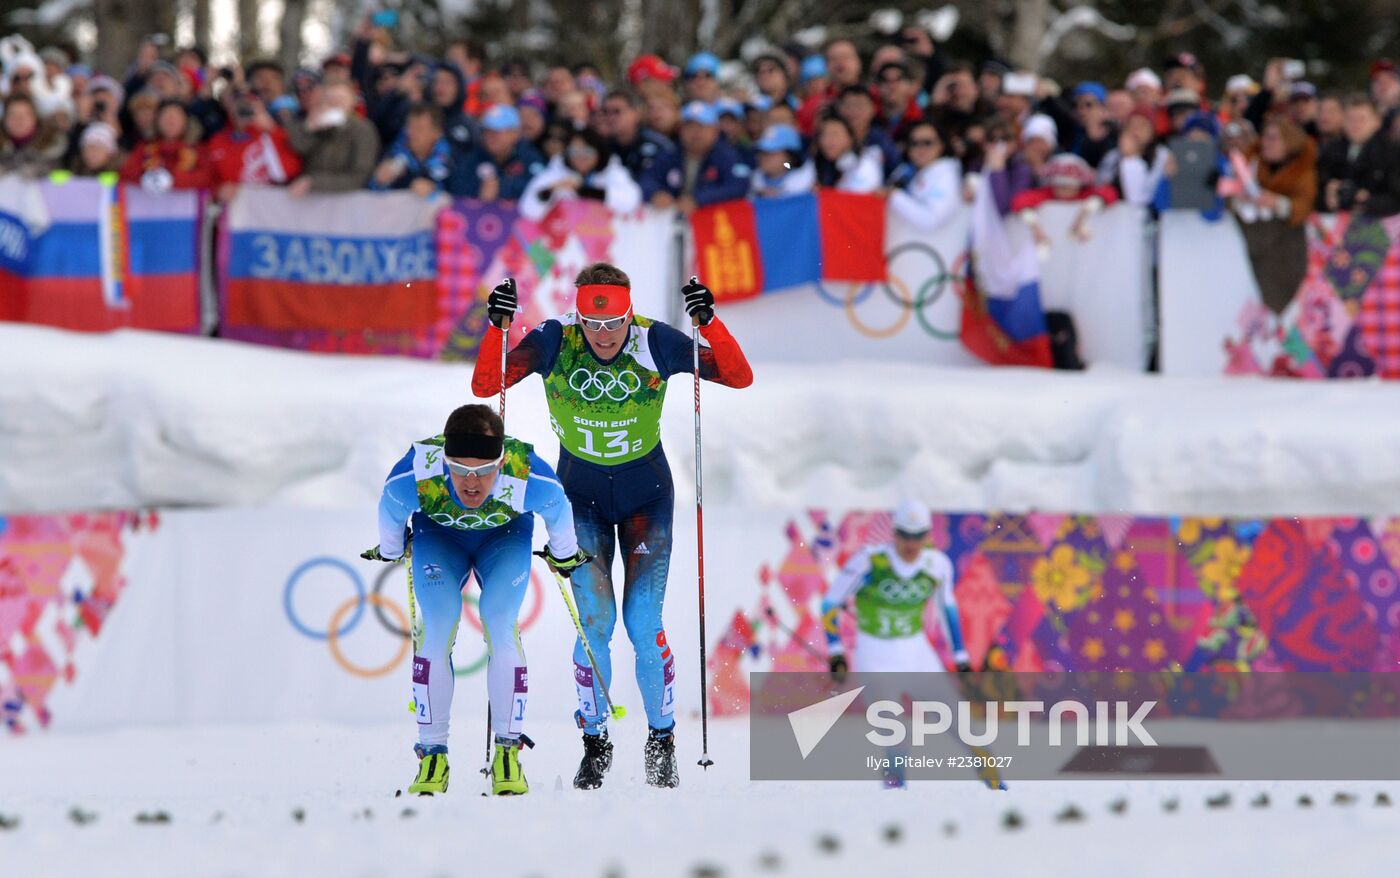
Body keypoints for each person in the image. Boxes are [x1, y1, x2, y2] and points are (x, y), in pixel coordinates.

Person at [470, 264, 753, 790]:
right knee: (594, 626)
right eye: (592, 325)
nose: (602, 336)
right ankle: (595, 744)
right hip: (581, 501)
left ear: (628, 313)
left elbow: (738, 376)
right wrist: (497, 326)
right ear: (579, 316)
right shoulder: (557, 340)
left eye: (614, 324)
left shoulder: (655, 340)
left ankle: (662, 741)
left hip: (648, 497)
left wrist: (709, 322)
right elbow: (487, 384)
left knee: (643, 624)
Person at [362, 404, 588, 796]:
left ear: (500, 463)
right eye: (460, 469)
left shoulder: (527, 474)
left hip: (504, 539)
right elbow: (390, 509)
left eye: (484, 471)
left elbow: (559, 509)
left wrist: (565, 553)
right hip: (439, 539)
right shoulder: (417, 473)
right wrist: (392, 548)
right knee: (436, 629)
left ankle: (507, 753)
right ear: (443, 459)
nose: (471, 483)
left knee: (500, 622)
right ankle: (433, 756)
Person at [820, 499, 973, 788]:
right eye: (904, 534)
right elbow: (830, 602)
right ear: (894, 533)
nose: (911, 543)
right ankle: (894, 797)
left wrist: (961, 656)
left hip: (917, 654)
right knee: (894, 732)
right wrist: (836, 652)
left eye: (918, 536)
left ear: (928, 535)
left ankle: (996, 788)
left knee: (960, 723)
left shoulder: (937, 564)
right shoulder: (870, 560)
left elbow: (947, 609)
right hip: (875, 655)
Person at [517, 127, 642, 221]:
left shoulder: (612, 172)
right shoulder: (556, 172)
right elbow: (529, 211)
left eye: (587, 151)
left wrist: (585, 191)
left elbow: (630, 201)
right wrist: (550, 191)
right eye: (574, 151)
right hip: (565, 245)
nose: (580, 156)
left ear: (598, 152)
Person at [650, 101, 752, 215]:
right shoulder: (670, 153)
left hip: (711, 222)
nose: (695, 132)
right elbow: (648, 179)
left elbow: (738, 185)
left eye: (701, 126)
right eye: (689, 126)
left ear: (715, 130)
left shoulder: (727, 154)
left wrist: (698, 199)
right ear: (680, 129)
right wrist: (656, 193)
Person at [205, 89, 301, 202]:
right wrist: (218, 190)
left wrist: (271, 130)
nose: (243, 110)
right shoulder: (217, 140)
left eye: (248, 105)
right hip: (233, 210)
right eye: (238, 105)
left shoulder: (273, 134)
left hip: (268, 207)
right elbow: (208, 178)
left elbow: (287, 173)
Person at [286, 82, 381, 195]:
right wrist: (308, 129)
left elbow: (361, 174)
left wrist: (315, 182)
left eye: (341, 98)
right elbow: (296, 150)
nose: (336, 103)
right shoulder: (315, 125)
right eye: (330, 99)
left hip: (346, 200)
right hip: (311, 198)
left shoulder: (363, 129)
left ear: (352, 101)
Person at [448, 104, 546, 201]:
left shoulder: (530, 157)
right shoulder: (473, 157)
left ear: (514, 133)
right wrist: (480, 190)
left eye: (497, 131)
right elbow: (456, 187)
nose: (490, 136)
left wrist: (501, 188)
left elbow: (540, 190)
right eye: (487, 131)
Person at [885, 119, 961, 231]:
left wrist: (894, 196)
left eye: (927, 143)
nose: (921, 148)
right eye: (914, 143)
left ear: (941, 145)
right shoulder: (903, 171)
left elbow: (932, 220)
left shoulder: (946, 175)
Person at [118, 98, 209, 191]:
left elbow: (206, 178)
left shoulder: (198, 150)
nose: (170, 121)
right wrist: (148, 178)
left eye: (176, 117)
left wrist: (173, 180)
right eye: (166, 116)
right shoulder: (144, 147)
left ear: (186, 122)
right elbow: (126, 172)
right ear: (157, 121)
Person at [369, 102, 453, 196]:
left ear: (437, 133)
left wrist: (433, 190)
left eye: (419, 129)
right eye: (409, 127)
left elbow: (457, 195)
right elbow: (373, 192)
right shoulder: (396, 151)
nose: (411, 133)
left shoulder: (451, 158)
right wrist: (379, 181)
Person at [812, 114, 882, 192]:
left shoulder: (865, 165)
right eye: (823, 135)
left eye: (834, 134)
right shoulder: (820, 164)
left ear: (850, 138)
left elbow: (857, 198)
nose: (827, 140)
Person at [749, 123, 813, 197]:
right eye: (762, 152)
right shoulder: (753, 180)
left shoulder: (806, 182)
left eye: (771, 152)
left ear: (789, 156)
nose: (764, 157)